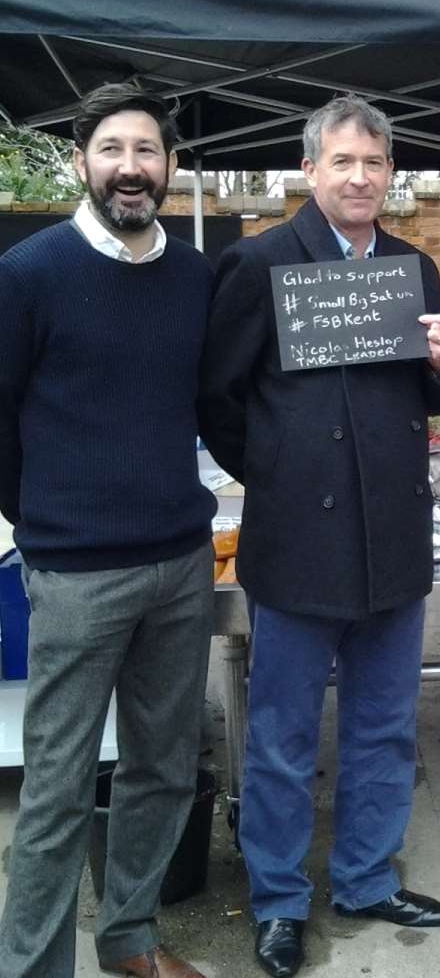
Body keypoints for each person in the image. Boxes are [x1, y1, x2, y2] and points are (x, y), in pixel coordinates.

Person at [198, 94, 440, 978]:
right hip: (298, 539)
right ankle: (278, 899)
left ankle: (362, 876)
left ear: (392, 176)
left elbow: (432, 397)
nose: (360, 177)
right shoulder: (258, 264)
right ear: (309, 170)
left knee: (385, 724)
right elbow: (219, 402)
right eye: (343, 162)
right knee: (279, 734)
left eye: (376, 164)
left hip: (393, 534)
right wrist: (276, 471)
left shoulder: (413, 267)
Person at [0, 84, 215, 978]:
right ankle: (32, 965)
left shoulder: (195, 275)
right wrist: (44, 519)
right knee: (54, 787)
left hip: (180, 560)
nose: (132, 167)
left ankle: (128, 937)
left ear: (169, 165)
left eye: (148, 151)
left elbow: (208, 404)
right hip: (77, 574)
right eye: (113, 149)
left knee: (162, 769)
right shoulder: (29, 274)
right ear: (82, 160)